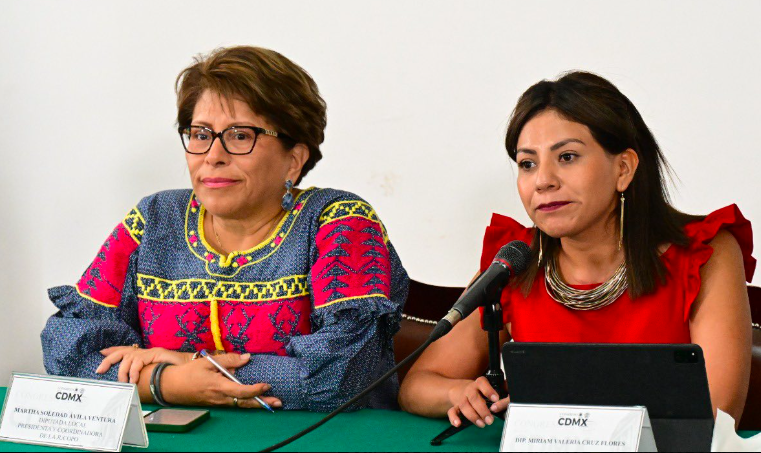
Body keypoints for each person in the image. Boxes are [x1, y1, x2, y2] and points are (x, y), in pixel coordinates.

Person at [41, 46, 409, 412]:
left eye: (239, 135)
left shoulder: (339, 221)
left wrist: (185, 364)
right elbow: (68, 353)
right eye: (201, 134)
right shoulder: (155, 219)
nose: (213, 155)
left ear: (293, 159)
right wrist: (167, 383)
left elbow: (342, 377)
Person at [399, 71, 755, 427]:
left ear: (624, 168)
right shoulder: (516, 262)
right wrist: (457, 394)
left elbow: (716, 413)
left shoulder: (704, 255)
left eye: (567, 157)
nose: (543, 180)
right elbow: (418, 385)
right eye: (528, 163)